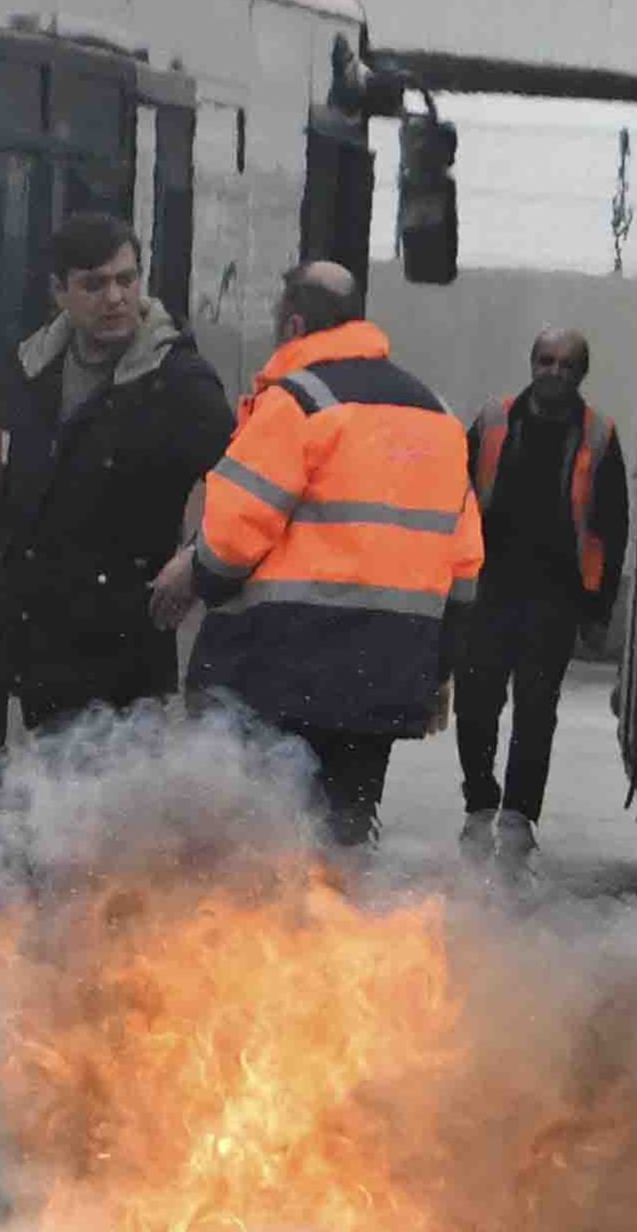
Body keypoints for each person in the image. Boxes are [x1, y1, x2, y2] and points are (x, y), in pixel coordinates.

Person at [147, 261, 476, 844]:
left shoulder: (298, 403)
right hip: (390, 668)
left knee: (258, 838)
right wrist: (437, 663)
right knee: (342, 833)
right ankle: (333, 922)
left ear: (294, 324)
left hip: (281, 664)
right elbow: (466, 565)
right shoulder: (437, 415)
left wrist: (194, 574)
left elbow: (231, 543)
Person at [0, 204, 229, 737]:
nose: (115, 298)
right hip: (36, 643)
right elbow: (15, 490)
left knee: (115, 808)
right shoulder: (33, 369)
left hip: (127, 648)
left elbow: (246, 478)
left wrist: (195, 559)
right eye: (94, 284)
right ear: (59, 292)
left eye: (126, 280)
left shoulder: (178, 378)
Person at [454, 327, 630, 857]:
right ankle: (480, 801)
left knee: (536, 709)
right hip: (489, 585)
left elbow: (611, 526)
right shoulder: (492, 421)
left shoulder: (599, 434)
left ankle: (519, 814)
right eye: (546, 361)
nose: (555, 372)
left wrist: (597, 608)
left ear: (581, 374)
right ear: (531, 365)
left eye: (567, 364)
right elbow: (455, 497)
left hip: (554, 595)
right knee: (476, 702)